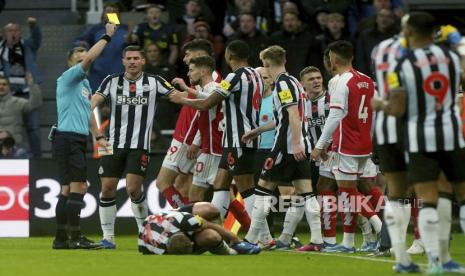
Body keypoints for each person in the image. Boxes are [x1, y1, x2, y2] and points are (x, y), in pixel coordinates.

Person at [371, 11, 465, 273]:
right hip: (449, 132)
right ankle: (441, 256)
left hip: (403, 130)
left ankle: (404, 257)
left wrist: (378, 104)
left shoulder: (389, 54)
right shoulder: (449, 55)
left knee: (398, 194)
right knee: (447, 193)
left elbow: (395, 99)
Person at [169, 40, 267, 243]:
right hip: (242, 138)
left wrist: (183, 99)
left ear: (229, 56)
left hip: (237, 139)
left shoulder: (234, 76)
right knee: (221, 185)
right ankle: (222, 234)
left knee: (246, 189)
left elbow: (207, 103)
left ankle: (262, 236)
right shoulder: (256, 76)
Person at [90, 45, 175, 250]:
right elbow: (90, 104)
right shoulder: (111, 81)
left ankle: (144, 234)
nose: (133, 62)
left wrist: (200, 99)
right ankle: (108, 237)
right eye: (129, 58)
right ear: (123, 61)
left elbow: (176, 97)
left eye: (136, 58)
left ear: (143, 61)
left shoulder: (154, 81)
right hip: (111, 144)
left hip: (139, 146)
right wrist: (98, 136)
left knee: (133, 188)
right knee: (107, 189)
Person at [241, 45, 323, 249]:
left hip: (285, 148)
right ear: (284, 60)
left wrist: (294, 143)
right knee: (307, 193)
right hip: (301, 145)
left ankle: (250, 241)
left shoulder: (282, 85)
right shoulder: (294, 81)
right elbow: (283, 117)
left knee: (261, 192)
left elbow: (293, 114)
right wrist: (258, 130)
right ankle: (317, 240)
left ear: (267, 64)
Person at [311, 40, 381, 253]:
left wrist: (320, 145)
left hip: (346, 144)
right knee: (351, 190)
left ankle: (382, 227)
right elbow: (375, 113)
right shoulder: (368, 81)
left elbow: (335, 115)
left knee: (347, 191)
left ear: (333, 58)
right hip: (364, 144)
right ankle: (349, 242)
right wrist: (370, 140)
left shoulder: (342, 81)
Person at [52, 22, 117, 250]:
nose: (84, 58)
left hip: (71, 139)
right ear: (71, 63)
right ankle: (76, 237)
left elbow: (88, 112)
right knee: (79, 187)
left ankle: (61, 239)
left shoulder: (85, 84)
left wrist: (98, 137)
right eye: (79, 56)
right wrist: (107, 37)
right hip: (69, 139)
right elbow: (90, 58)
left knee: (67, 189)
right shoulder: (69, 77)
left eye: (84, 55)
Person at [156, 39, 215, 209]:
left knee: (163, 182)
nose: (184, 59)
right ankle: (195, 227)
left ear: (199, 54)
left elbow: (205, 111)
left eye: (188, 54)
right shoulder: (197, 76)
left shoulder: (211, 79)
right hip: (187, 137)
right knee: (185, 187)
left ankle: (189, 223)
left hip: (187, 139)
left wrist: (195, 141)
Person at [170, 55, 223, 202]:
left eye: (191, 70)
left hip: (216, 149)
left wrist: (183, 99)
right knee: (198, 195)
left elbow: (207, 102)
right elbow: (205, 98)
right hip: (208, 148)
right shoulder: (208, 89)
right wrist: (187, 89)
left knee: (223, 193)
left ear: (204, 72)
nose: (188, 73)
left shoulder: (216, 87)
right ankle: (207, 224)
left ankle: (252, 224)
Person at [138, 202, 260, 255]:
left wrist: (235, 238)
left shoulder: (186, 221)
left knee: (211, 210)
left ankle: (231, 242)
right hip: (162, 222)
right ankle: (229, 250)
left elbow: (208, 224)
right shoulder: (152, 247)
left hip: (174, 217)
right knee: (211, 237)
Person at [1, 18, 43, 157]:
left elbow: (37, 38)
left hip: (27, 93)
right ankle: (11, 156)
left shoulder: (27, 46)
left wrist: (33, 26)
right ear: (4, 33)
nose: (13, 33)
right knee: (10, 128)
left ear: (20, 33)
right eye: (10, 30)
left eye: (16, 30)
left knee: (34, 128)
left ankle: (37, 159)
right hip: (9, 95)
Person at [74, 4, 129, 91]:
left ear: (118, 14)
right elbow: (79, 41)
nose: (111, 14)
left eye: (113, 12)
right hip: (98, 75)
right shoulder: (96, 29)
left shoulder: (126, 30)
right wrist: (82, 44)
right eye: (108, 11)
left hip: (121, 74)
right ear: (103, 15)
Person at [0, 74, 41, 149]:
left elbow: (35, 104)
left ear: (9, 87)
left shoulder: (18, 102)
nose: (1, 87)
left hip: (13, 145)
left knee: (21, 154)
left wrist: (32, 85)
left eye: (4, 84)